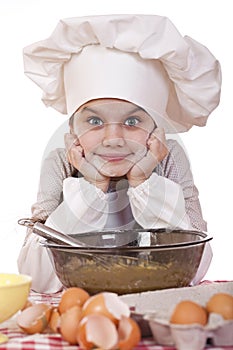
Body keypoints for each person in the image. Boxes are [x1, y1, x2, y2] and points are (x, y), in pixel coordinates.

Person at [17, 14, 221, 293]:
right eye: (94, 121)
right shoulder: (61, 161)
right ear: (73, 133)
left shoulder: (169, 157)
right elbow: (36, 276)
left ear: (157, 130)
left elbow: (194, 267)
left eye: (133, 122)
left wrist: (142, 181)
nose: (113, 140)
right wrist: (93, 185)